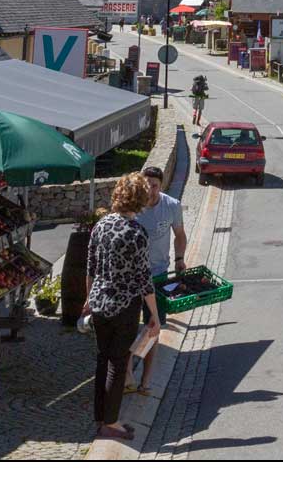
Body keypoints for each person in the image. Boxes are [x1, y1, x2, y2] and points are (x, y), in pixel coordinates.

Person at [83, 176, 159, 441]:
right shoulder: (136, 232)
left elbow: (90, 268)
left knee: (103, 359)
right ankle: (111, 423)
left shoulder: (101, 226)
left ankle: (101, 416)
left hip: (100, 305)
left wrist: (88, 301)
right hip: (124, 307)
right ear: (139, 199)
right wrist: (155, 317)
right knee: (117, 363)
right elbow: (144, 279)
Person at [128, 164, 188, 390]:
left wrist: (180, 258)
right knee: (130, 326)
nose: (150, 190)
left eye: (153, 186)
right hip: (133, 278)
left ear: (160, 186)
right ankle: (128, 373)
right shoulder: (132, 206)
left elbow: (180, 235)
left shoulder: (171, 206)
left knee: (154, 328)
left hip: (158, 275)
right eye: (146, 185)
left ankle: (145, 380)